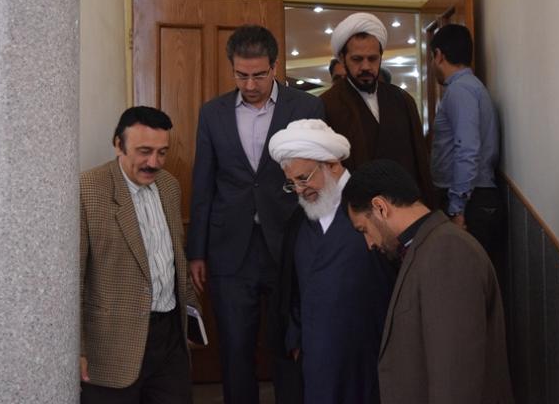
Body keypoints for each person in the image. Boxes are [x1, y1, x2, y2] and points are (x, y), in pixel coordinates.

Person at [187, 24, 325, 404]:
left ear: (275, 67)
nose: (250, 85)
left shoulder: (306, 107)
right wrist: (196, 251)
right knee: (235, 350)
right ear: (232, 68)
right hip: (230, 249)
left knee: (289, 344)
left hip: (289, 245)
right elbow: (203, 184)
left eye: (259, 75)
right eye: (241, 75)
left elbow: (320, 178)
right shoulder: (212, 113)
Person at [342, 159, 514, 404]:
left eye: (364, 230)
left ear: (380, 207)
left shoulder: (448, 250)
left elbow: (455, 376)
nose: (369, 243)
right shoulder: (426, 246)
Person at [79, 106, 199, 404]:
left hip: (169, 340)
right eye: (144, 151)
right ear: (118, 145)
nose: (153, 162)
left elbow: (176, 258)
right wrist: (76, 349)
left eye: (162, 152)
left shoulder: (170, 186)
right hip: (111, 347)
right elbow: (71, 280)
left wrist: (191, 319)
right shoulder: (87, 189)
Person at [268, 119, 392, 404]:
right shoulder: (298, 221)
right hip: (315, 360)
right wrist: (295, 338)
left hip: (366, 356)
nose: (299, 190)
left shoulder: (374, 207)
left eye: (304, 178)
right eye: (292, 183)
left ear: (333, 165)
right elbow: (291, 288)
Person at [321, 12, 435, 208]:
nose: (366, 66)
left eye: (372, 59)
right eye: (357, 59)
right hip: (356, 212)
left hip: (403, 209)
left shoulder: (402, 100)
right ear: (342, 58)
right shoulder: (327, 104)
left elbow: (420, 163)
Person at [429, 23, 501, 257]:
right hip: (473, 196)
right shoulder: (469, 87)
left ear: (439, 55)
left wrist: (456, 209)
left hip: (470, 202)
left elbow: (467, 149)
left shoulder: (460, 90)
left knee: (466, 274)